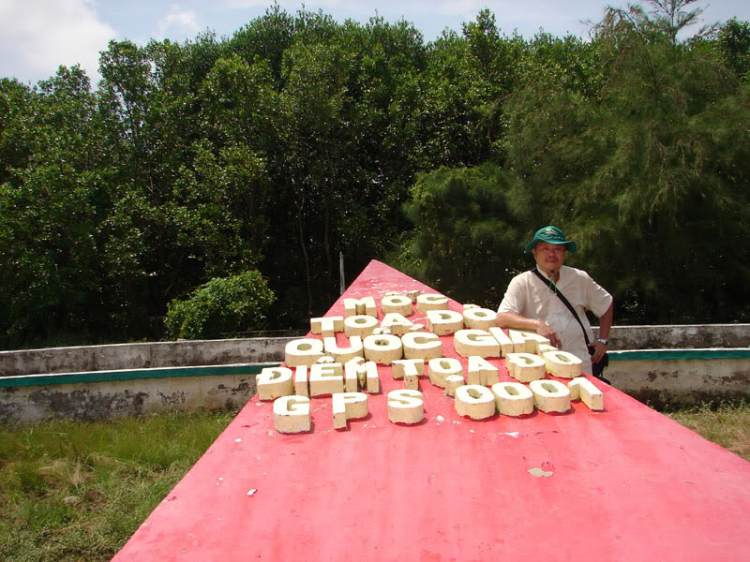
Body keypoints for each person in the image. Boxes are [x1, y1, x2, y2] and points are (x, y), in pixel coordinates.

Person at [496, 226, 613, 376]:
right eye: (545, 249)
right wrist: (537, 324)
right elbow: (502, 318)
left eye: (557, 249)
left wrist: (603, 341)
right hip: (538, 367)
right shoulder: (522, 282)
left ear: (564, 253)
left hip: (579, 363)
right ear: (534, 252)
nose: (552, 254)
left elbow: (606, 303)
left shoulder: (579, 278)